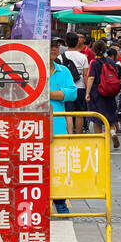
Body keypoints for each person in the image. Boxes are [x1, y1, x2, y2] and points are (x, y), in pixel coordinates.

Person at [48, 38, 77, 214]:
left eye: (56, 46)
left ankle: (59, 201)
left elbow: (72, 93)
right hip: (33, 126)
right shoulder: (33, 70)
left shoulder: (63, 70)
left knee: (59, 165)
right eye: (50, 45)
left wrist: (48, 93)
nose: (53, 49)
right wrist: (58, 94)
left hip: (58, 124)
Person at [85, 40, 121, 151]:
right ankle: (112, 132)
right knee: (108, 117)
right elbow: (118, 76)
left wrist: (87, 93)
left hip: (97, 93)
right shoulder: (111, 62)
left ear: (94, 50)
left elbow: (91, 78)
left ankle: (99, 142)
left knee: (97, 118)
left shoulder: (94, 62)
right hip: (110, 92)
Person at [63, 32, 88, 134]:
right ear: (77, 42)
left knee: (68, 113)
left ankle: (69, 134)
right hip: (80, 87)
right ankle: (78, 135)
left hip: (66, 88)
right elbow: (85, 75)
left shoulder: (61, 57)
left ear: (66, 42)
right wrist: (88, 91)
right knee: (80, 113)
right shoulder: (83, 57)